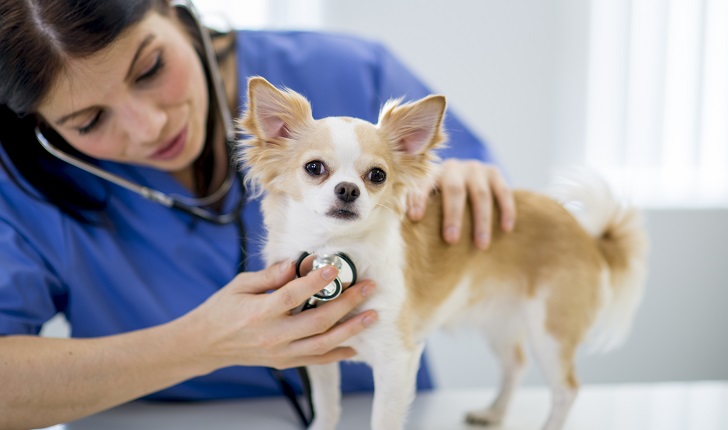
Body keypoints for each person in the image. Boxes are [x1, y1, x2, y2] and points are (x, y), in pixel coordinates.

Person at [0, 0, 516, 428]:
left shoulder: (351, 70)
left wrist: (470, 182)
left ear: (172, 9)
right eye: (89, 120)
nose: (149, 125)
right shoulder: (18, 189)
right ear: (39, 124)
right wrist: (193, 347)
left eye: (151, 68)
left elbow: (469, 189)